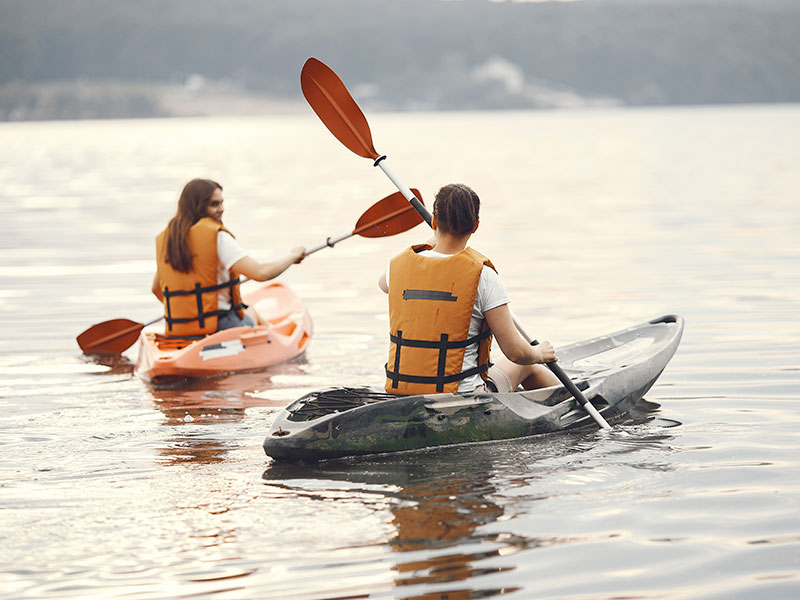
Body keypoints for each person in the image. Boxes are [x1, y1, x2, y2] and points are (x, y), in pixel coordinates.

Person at [378, 183, 559, 395]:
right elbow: (516, 352)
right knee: (527, 364)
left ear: (435, 221)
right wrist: (540, 354)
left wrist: (433, 240)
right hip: (463, 397)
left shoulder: (397, 266)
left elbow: (384, 284)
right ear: (475, 226)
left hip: (403, 393)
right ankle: (572, 405)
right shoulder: (483, 275)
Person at [151, 178, 305, 336]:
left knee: (248, 309)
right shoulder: (217, 237)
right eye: (214, 204)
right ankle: (274, 338)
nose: (221, 209)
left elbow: (156, 289)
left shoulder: (170, 241)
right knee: (249, 309)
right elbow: (261, 273)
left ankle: (269, 333)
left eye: (221, 203)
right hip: (222, 326)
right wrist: (292, 257)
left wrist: (188, 313)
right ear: (197, 206)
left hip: (181, 330)